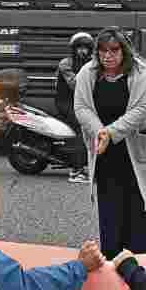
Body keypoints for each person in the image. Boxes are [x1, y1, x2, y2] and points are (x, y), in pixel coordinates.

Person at [73, 27, 146, 259]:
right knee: (111, 220)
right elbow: (81, 107)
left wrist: (111, 133)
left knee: (142, 221)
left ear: (124, 51)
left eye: (114, 50)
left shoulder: (142, 71)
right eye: (103, 51)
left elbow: (142, 109)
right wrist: (100, 133)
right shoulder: (88, 73)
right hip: (106, 156)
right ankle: (113, 274)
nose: (108, 56)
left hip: (139, 153)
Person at [56, 31, 94, 183]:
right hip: (66, 102)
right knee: (81, 127)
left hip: (83, 103)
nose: (82, 51)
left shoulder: (93, 63)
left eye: (85, 48)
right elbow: (75, 85)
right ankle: (76, 170)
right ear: (74, 49)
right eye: (79, 48)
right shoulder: (66, 63)